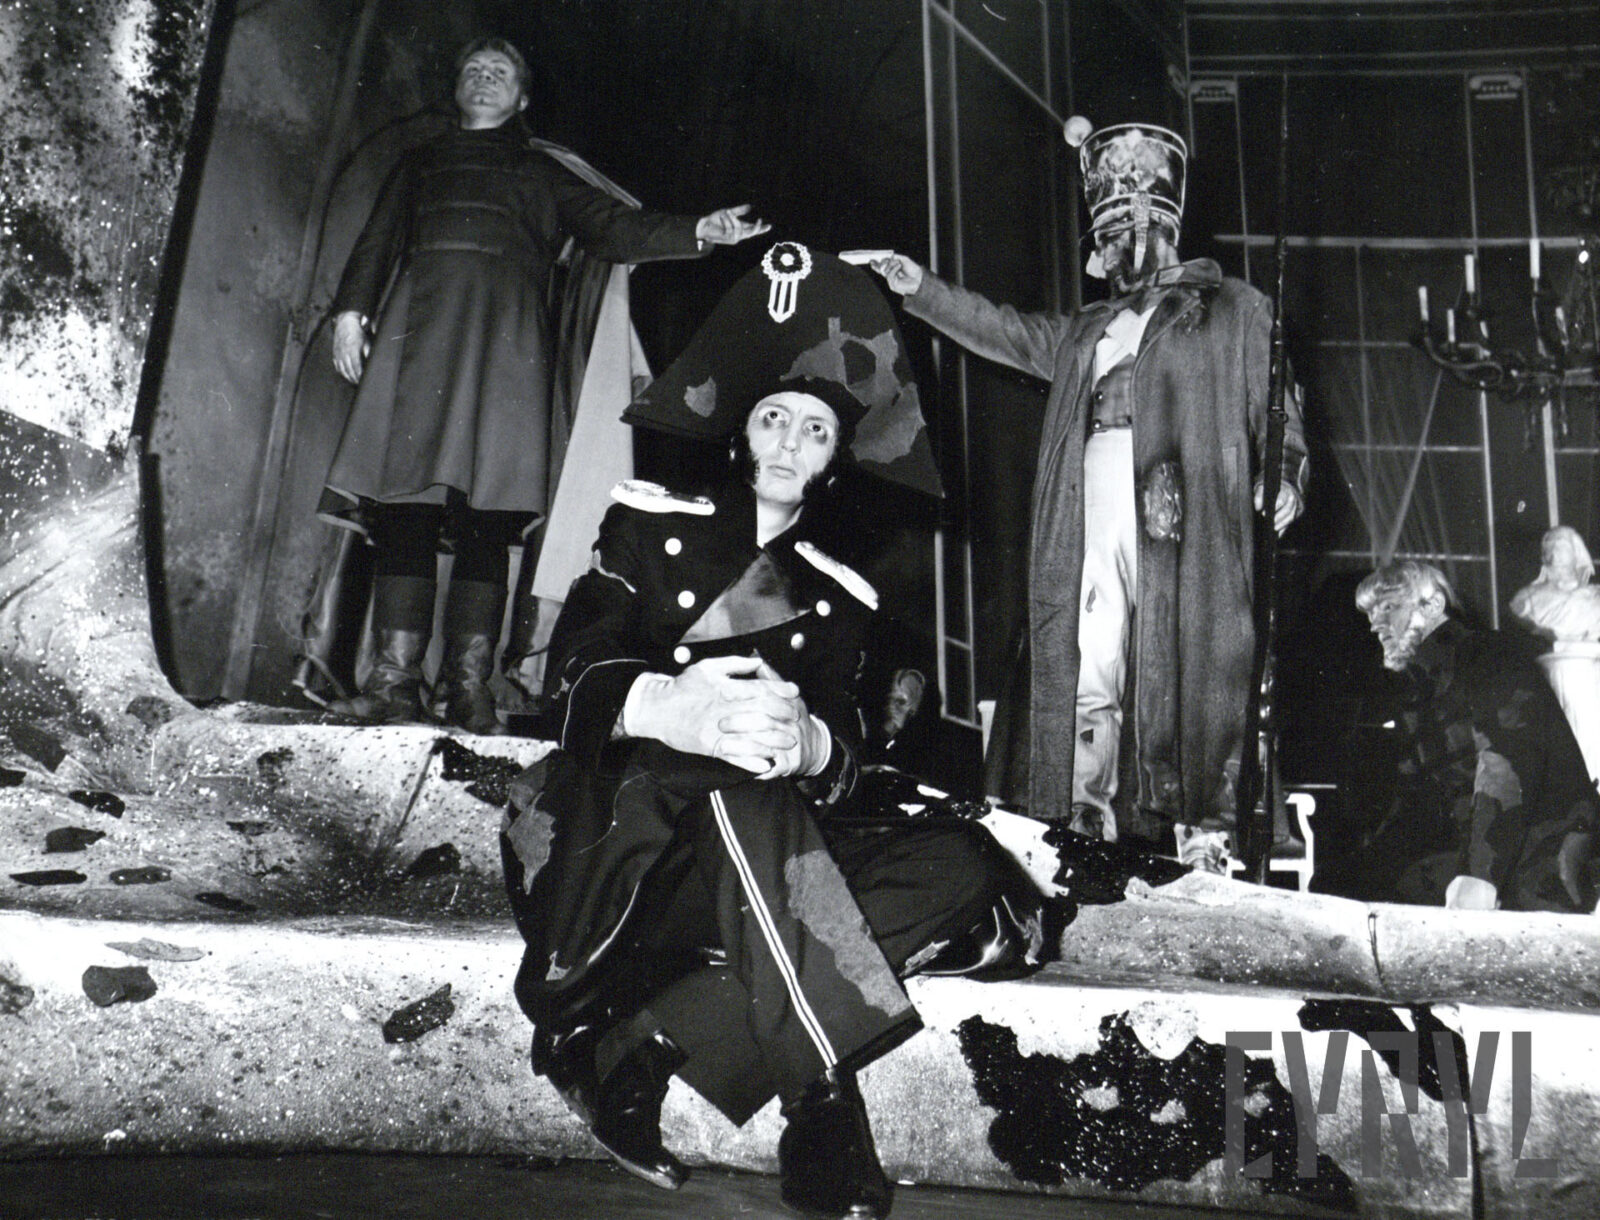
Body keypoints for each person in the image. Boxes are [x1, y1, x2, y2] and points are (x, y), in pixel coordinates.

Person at [499, 246, 1048, 1219]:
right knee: (736, 782)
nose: (792, 441)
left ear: (837, 459)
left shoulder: (843, 599)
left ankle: (635, 1049)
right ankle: (819, 1107)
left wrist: (816, 747)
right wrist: (663, 706)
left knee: (960, 864)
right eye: (774, 419)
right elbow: (570, 667)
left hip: (761, 873)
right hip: (628, 849)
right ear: (739, 433)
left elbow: (849, 749)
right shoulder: (646, 525)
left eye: (817, 429)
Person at [865, 118, 1308, 864]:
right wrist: (919, 287)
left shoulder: (1234, 307)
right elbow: (1002, 330)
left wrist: (1284, 474)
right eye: (1107, 235)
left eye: (1127, 230)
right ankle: (1083, 820)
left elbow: (1279, 405)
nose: (1113, 251)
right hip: (1091, 488)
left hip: (1192, 498)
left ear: (1164, 226)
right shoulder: (1085, 329)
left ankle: (1206, 834)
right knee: (1086, 647)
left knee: (1196, 654)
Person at [321, 37, 769, 734]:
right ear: (458, 87)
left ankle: (467, 688)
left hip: (505, 352)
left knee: (487, 516)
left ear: (522, 97)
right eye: (473, 70)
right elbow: (376, 242)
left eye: (499, 72)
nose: (483, 78)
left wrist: (697, 232)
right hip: (419, 346)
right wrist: (350, 313)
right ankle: (393, 685)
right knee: (405, 506)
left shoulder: (540, 171)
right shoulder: (419, 163)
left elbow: (614, 228)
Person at [1355, 560, 1596, 911]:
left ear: (1433, 605)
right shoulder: (1416, 687)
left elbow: (1506, 763)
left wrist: (1480, 874)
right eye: (1370, 613)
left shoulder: (1489, 655)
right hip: (1481, 849)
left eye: (1388, 607)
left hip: (1542, 856)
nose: (1375, 624)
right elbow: (1416, 796)